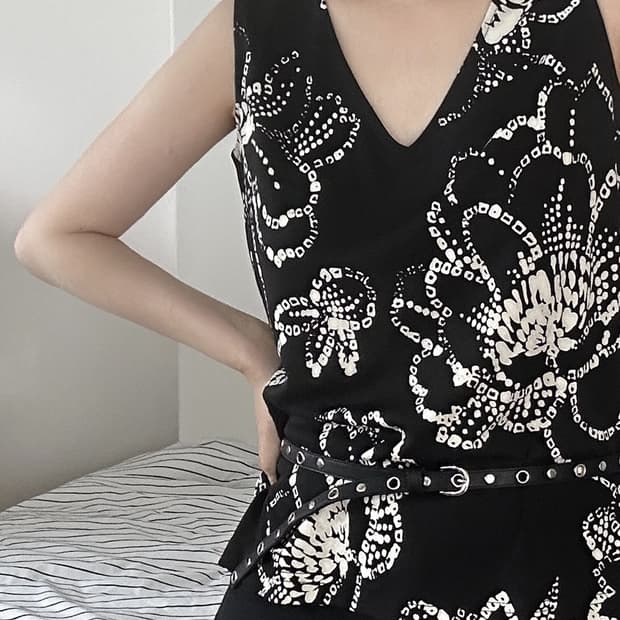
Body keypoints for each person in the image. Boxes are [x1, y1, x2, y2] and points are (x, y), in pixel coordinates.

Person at [14, 0, 620, 618]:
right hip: (352, 546)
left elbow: (55, 237)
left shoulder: (255, 23)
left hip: (533, 539)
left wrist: (253, 353)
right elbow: (55, 237)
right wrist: (252, 351)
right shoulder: (255, 23)